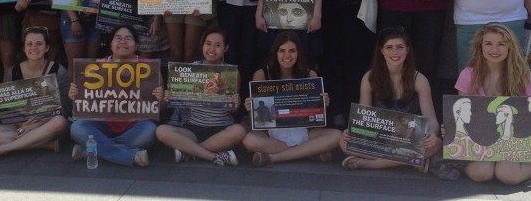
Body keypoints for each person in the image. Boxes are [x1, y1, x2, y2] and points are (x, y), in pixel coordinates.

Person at [454, 23, 531, 184]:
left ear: (510, 47)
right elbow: (462, 114)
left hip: (513, 138)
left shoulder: (523, 75)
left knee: (508, 175)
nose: (494, 50)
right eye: (488, 44)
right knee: (481, 173)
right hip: (479, 137)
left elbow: (530, 115)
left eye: (501, 44)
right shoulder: (467, 75)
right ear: (480, 47)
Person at [339, 27, 441, 171]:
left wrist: (432, 133)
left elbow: (431, 118)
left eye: (400, 47)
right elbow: (363, 116)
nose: (395, 52)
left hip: (408, 139)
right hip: (380, 139)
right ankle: (410, 161)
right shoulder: (370, 77)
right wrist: (352, 132)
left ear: (407, 50)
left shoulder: (419, 79)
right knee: (344, 143)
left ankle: (369, 164)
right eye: (389, 47)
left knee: (436, 144)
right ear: (381, 51)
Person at [243, 31, 341, 166]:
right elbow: (260, 121)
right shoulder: (262, 74)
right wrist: (251, 108)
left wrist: (322, 104)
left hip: (303, 131)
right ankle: (310, 152)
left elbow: (314, 119)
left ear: (298, 53)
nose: (287, 55)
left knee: (337, 136)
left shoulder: (310, 74)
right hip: (272, 134)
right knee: (249, 140)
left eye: (292, 51)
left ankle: (273, 158)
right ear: (275, 53)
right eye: (282, 51)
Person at [69, 26, 163, 167]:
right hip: (102, 124)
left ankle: (91, 149)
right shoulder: (96, 66)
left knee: (149, 131)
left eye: (128, 38)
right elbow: (85, 104)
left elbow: (160, 107)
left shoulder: (148, 66)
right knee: (77, 127)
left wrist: (161, 98)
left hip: (135, 126)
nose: (123, 42)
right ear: (111, 44)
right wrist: (74, 96)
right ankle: (129, 155)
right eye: (118, 38)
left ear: (136, 45)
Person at [156, 28, 245, 166]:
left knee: (239, 131)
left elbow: (233, 110)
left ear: (225, 48)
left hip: (221, 128)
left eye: (218, 45)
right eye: (208, 44)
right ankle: (212, 156)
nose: (212, 49)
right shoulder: (191, 69)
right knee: (161, 131)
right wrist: (169, 98)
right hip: (193, 128)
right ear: (202, 45)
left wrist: (236, 103)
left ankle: (189, 151)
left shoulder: (232, 72)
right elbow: (176, 102)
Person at [0, 27, 69, 161]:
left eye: (39, 43)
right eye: (29, 44)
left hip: (47, 125)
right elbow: (5, 108)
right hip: (19, 125)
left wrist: (38, 124)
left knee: (60, 122)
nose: (34, 47)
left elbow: (66, 107)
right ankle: (45, 145)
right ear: (24, 48)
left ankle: (2, 149)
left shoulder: (58, 70)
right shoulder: (13, 71)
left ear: (47, 47)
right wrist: (21, 123)